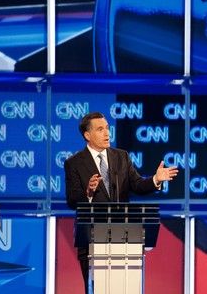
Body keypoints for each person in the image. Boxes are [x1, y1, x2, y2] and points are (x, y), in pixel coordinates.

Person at [64, 112, 178, 285]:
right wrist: (88, 193)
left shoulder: (121, 156)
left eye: (107, 128)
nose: (107, 133)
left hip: (122, 240)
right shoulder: (74, 163)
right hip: (91, 240)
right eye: (100, 129)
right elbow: (72, 200)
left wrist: (155, 180)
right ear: (87, 135)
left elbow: (138, 185)